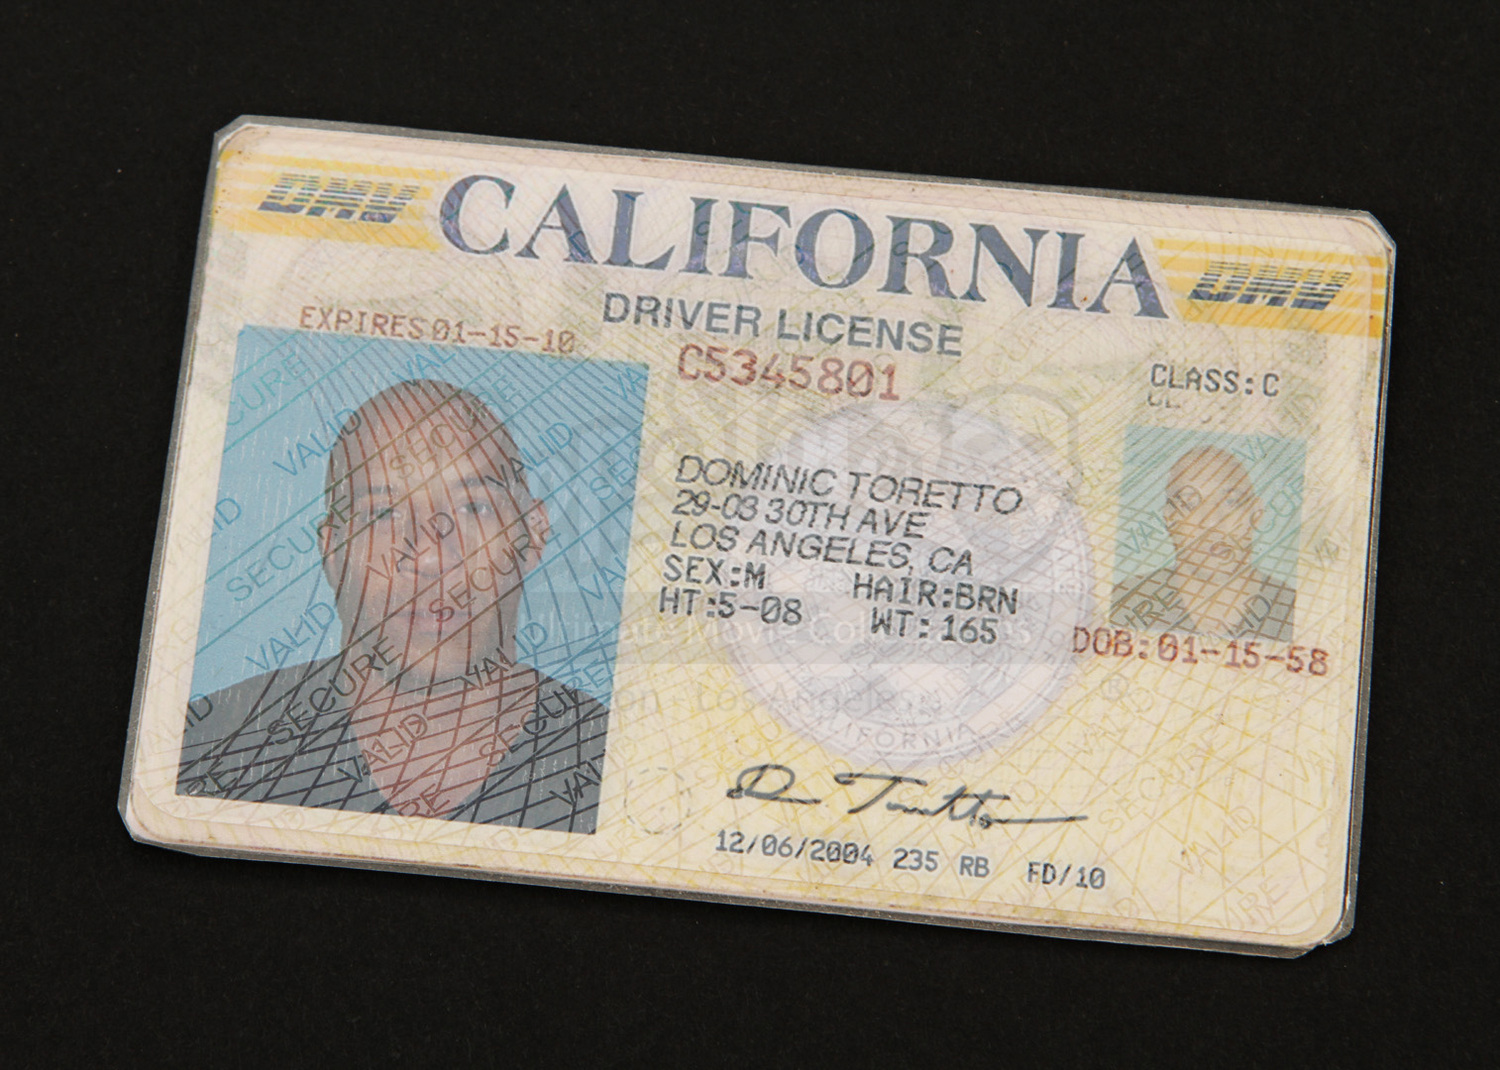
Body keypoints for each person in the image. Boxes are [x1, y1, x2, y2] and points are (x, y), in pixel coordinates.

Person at [179, 379, 608, 833]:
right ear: (332, 549)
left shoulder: (618, 763)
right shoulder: (206, 749)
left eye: (473, 507)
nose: (429, 555)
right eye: (382, 513)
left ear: (533, 534)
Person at [1111, 445, 1295, 642]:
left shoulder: (1294, 610)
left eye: (1230, 501)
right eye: (1190, 504)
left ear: (1256, 514)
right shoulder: (1124, 604)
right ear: (1169, 518)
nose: (1211, 521)